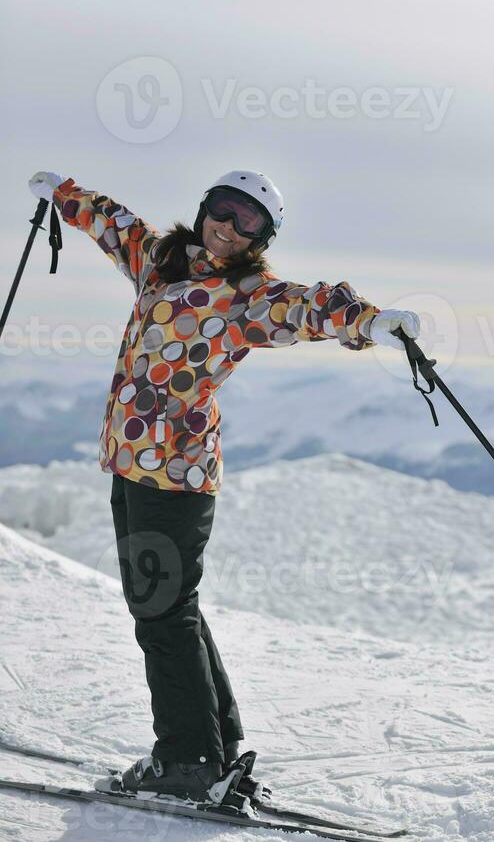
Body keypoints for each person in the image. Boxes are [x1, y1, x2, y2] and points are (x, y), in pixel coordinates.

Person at [28, 168, 421, 807]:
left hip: (175, 476)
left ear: (262, 239)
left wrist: (372, 323)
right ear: (208, 206)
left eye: (251, 224)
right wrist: (64, 196)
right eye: (228, 210)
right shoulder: (160, 262)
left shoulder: (246, 297)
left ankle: (186, 759)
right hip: (130, 464)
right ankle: (216, 746)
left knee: (161, 610)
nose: (232, 229)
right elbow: (115, 223)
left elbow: (309, 305)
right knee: (168, 605)